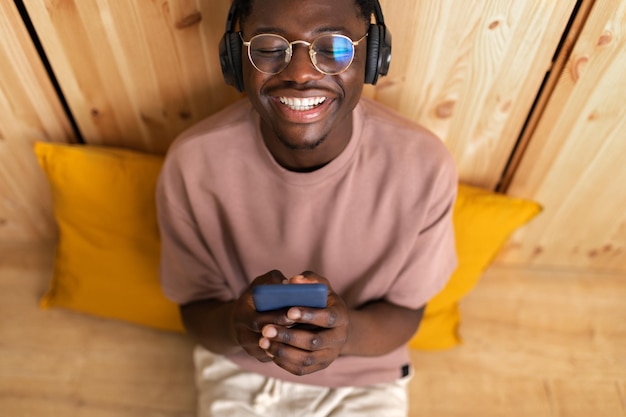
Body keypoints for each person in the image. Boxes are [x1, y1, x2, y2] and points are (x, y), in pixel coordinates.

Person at [156, 0, 458, 415]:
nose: (299, 73)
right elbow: (195, 310)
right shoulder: (192, 163)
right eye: (268, 47)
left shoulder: (424, 165)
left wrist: (342, 335)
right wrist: (235, 327)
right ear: (234, 59)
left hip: (365, 376)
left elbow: (406, 313)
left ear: (373, 57)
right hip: (240, 369)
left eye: (333, 47)